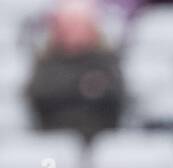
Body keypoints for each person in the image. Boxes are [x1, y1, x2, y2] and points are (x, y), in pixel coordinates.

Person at [26, 0, 125, 141]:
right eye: (69, 24)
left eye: (79, 24)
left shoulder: (106, 59)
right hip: (54, 136)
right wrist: (86, 86)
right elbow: (39, 94)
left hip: (100, 137)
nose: (73, 30)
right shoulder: (46, 60)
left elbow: (114, 95)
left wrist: (66, 88)